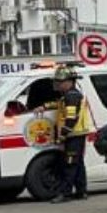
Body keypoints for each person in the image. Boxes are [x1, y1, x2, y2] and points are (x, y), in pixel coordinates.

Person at [42, 66, 91, 203]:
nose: (57, 85)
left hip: (73, 135)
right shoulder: (69, 96)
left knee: (69, 164)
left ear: (69, 82)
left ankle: (65, 193)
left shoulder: (72, 96)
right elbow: (58, 105)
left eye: (60, 82)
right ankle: (82, 191)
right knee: (78, 164)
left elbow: (71, 118)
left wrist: (63, 135)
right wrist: (45, 107)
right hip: (76, 135)